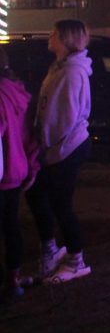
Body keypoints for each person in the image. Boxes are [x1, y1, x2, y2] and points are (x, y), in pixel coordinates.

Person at [25, 19, 92, 283]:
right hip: (54, 146)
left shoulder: (71, 72)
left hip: (66, 147)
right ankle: (51, 250)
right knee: (36, 194)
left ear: (66, 39)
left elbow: (63, 116)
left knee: (61, 204)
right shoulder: (60, 67)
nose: (49, 36)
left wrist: (49, 146)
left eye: (54, 33)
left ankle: (77, 260)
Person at [0, 50, 39, 300]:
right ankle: (14, 279)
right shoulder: (17, 93)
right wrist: (32, 166)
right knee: (11, 226)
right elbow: (30, 134)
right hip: (15, 171)